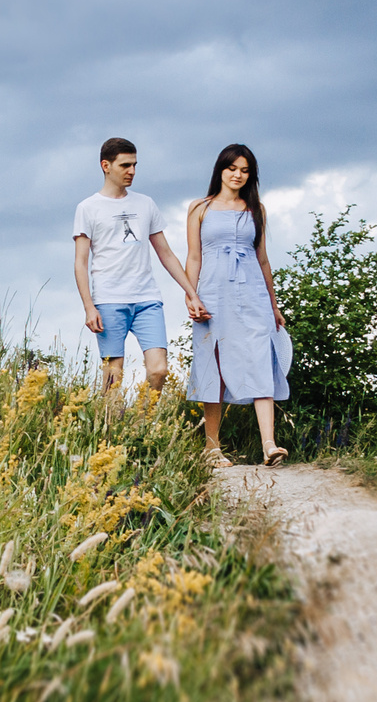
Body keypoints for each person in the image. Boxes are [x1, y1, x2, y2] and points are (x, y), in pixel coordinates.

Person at [71, 138, 208, 399]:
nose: (131, 171)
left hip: (147, 299)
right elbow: (80, 262)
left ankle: (141, 428)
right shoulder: (88, 208)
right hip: (109, 300)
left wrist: (192, 293)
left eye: (134, 165)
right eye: (125, 165)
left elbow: (165, 253)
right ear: (105, 166)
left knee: (159, 370)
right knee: (114, 375)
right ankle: (111, 432)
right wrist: (89, 306)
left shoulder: (146, 204)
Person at [185, 142, 289, 466]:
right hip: (213, 295)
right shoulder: (199, 208)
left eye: (245, 170)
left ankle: (269, 445)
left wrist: (273, 305)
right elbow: (193, 256)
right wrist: (191, 295)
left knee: (260, 357)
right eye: (233, 168)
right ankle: (211, 448)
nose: (238, 175)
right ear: (221, 170)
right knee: (212, 362)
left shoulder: (256, 210)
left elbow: (263, 260)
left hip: (252, 295)